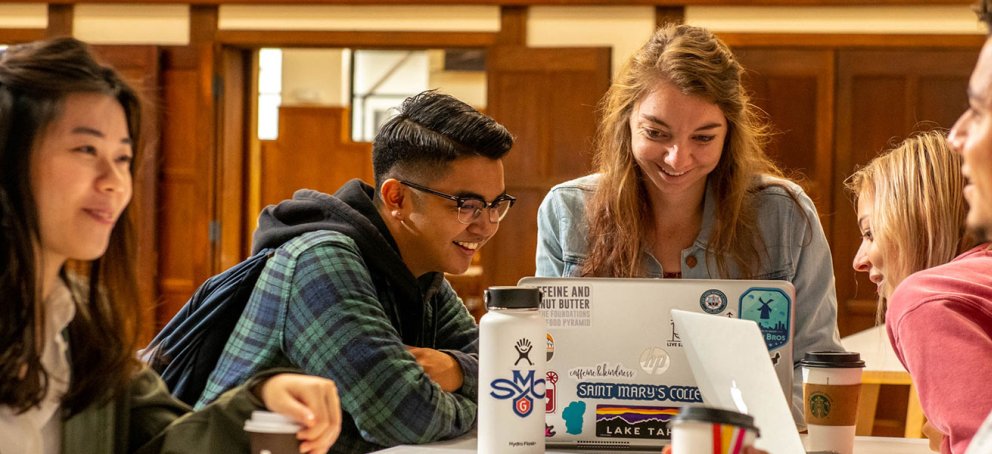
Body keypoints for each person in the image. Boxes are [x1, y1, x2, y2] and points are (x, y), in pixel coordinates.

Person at [0, 38, 341, 453]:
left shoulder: (85, 321)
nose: (115, 181)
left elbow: (163, 443)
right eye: (86, 149)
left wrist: (261, 397)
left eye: (123, 158)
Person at [535, 23, 842, 424]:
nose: (677, 159)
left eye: (703, 138)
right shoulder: (568, 210)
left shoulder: (784, 214)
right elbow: (547, 359)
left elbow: (819, 369)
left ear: (729, 133)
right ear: (626, 122)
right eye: (656, 133)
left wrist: (750, 427)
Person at [196, 90, 514, 452]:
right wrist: (482, 395)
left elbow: (512, 372)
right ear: (397, 198)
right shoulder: (320, 261)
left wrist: (455, 369)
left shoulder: (423, 269)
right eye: (467, 205)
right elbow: (404, 416)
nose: (487, 225)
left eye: (497, 204)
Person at [847, 131, 985, 453]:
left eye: (870, 233)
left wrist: (949, 442)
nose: (858, 261)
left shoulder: (924, 298)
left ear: (918, 222)